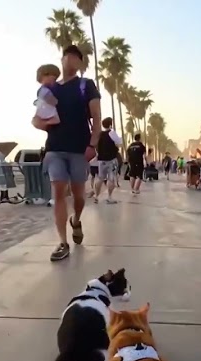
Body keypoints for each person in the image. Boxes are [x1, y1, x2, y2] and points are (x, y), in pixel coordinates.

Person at [32, 44, 101, 262]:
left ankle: (76, 220)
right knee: (59, 193)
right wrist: (40, 123)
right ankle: (62, 242)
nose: (70, 60)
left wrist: (93, 145)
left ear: (80, 63)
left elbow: (97, 119)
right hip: (55, 150)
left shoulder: (86, 85)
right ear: (61, 60)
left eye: (75, 58)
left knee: (79, 195)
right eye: (67, 56)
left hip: (80, 149)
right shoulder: (51, 88)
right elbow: (37, 116)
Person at [92, 117, 122, 203]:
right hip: (111, 159)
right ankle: (109, 197)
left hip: (101, 160)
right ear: (110, 124)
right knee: (111, 178)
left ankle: (96, 196)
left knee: (100, 178)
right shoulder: (112, 133)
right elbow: (119, 143)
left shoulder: (100, 134)